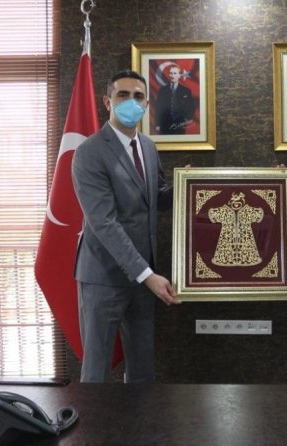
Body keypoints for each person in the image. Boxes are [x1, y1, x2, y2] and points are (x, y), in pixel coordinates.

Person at [72, 69, 182, 383]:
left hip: (143, 278)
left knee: (142, 370)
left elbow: (156, 198)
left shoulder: (147, 146)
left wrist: (190, 186)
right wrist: (147, 275)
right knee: (96, 371)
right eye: (123, 95)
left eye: (138, 96)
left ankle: (140, 418)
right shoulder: (89, 152)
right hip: (104, 277)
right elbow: (104, 222)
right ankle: (93, 419)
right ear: (107, 101)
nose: (131, 102)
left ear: (146, 104)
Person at [154, 64, 195, 135]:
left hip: (179, 125)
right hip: (165, 124)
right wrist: (157, 124)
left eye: (175, 73)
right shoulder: (162, 90)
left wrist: (186, 120)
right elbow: (158, 108)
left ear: (179, 75)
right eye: (171, 73)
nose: (172, 75)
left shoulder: (186, 90)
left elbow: (191, 107)